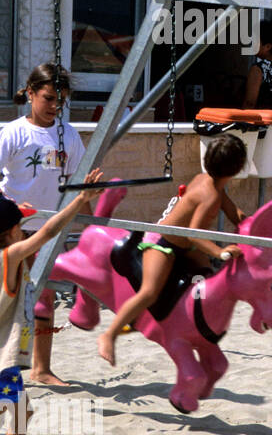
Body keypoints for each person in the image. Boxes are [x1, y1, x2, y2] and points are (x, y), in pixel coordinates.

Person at [96, 135, 247, 366]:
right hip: (162, 243)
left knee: (205, 277)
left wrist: (250, 224)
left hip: (186, 246)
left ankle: (190, 317)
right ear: (237, 168)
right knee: (149, 291)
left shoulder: (211, 183)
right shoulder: (209, 194)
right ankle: (110, 334)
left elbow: (232, 210)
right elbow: (193, 233)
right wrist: (220, 253)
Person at [1, 170, 104, 435]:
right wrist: (79, 200)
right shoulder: (11, 257)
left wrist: (19, 209)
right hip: (3, 361)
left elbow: (27, 220)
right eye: (20, 225)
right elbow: (46, 231)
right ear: (12, 232)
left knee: (21, 410)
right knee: (17, 411)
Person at [0, 65, 87, 385]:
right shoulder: (14, 133)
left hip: (49, 229)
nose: (54, 106)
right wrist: (9, 210)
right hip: (12, 231)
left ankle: (41, 368)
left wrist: (88, 228)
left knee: (45, 297)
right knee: (5, 300)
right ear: (31, 93)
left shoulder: (69, 135)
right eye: (49, 98)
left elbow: (80, 185)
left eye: (60, 101)